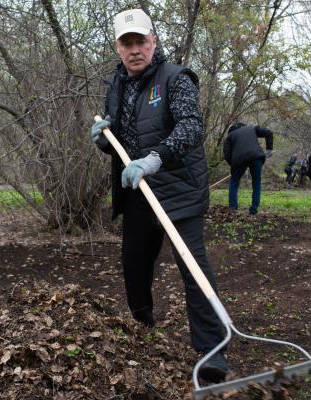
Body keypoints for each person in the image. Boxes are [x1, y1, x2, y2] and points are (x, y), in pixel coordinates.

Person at [89, 9, 228, 383]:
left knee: (193, 270)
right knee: (134, 266)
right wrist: (104, 138)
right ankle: (143, 329)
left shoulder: (176, 78)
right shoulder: (116, 84)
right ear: (118, 48)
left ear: (154, 41)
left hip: (179, 190)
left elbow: (191, 127)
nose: (135, 50)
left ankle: (212, 352)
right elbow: (118, 142)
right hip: (137, 193)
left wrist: (155, 159)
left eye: (141, 42)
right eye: (127, 43)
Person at [223, 122, 274, 215]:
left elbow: (227, 155)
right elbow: (268, 133)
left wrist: (234, 166)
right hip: (256, 156)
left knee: (234, 182)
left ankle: (233, 208)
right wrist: (269, 149)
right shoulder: (251, 128)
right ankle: (253, 210)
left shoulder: (229, 137)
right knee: (256, 183)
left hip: (238, 159)